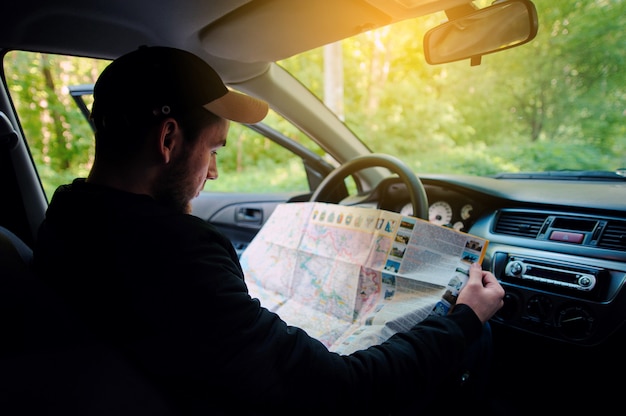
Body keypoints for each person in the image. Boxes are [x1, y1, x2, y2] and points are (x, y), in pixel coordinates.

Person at [33, 46, 505, 415]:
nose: (213, 172)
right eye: (214, 149)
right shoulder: (176, 257)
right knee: (471, 341)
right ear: (169, 139)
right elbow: (345, 391)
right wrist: (464, 317)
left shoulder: (68, 218)